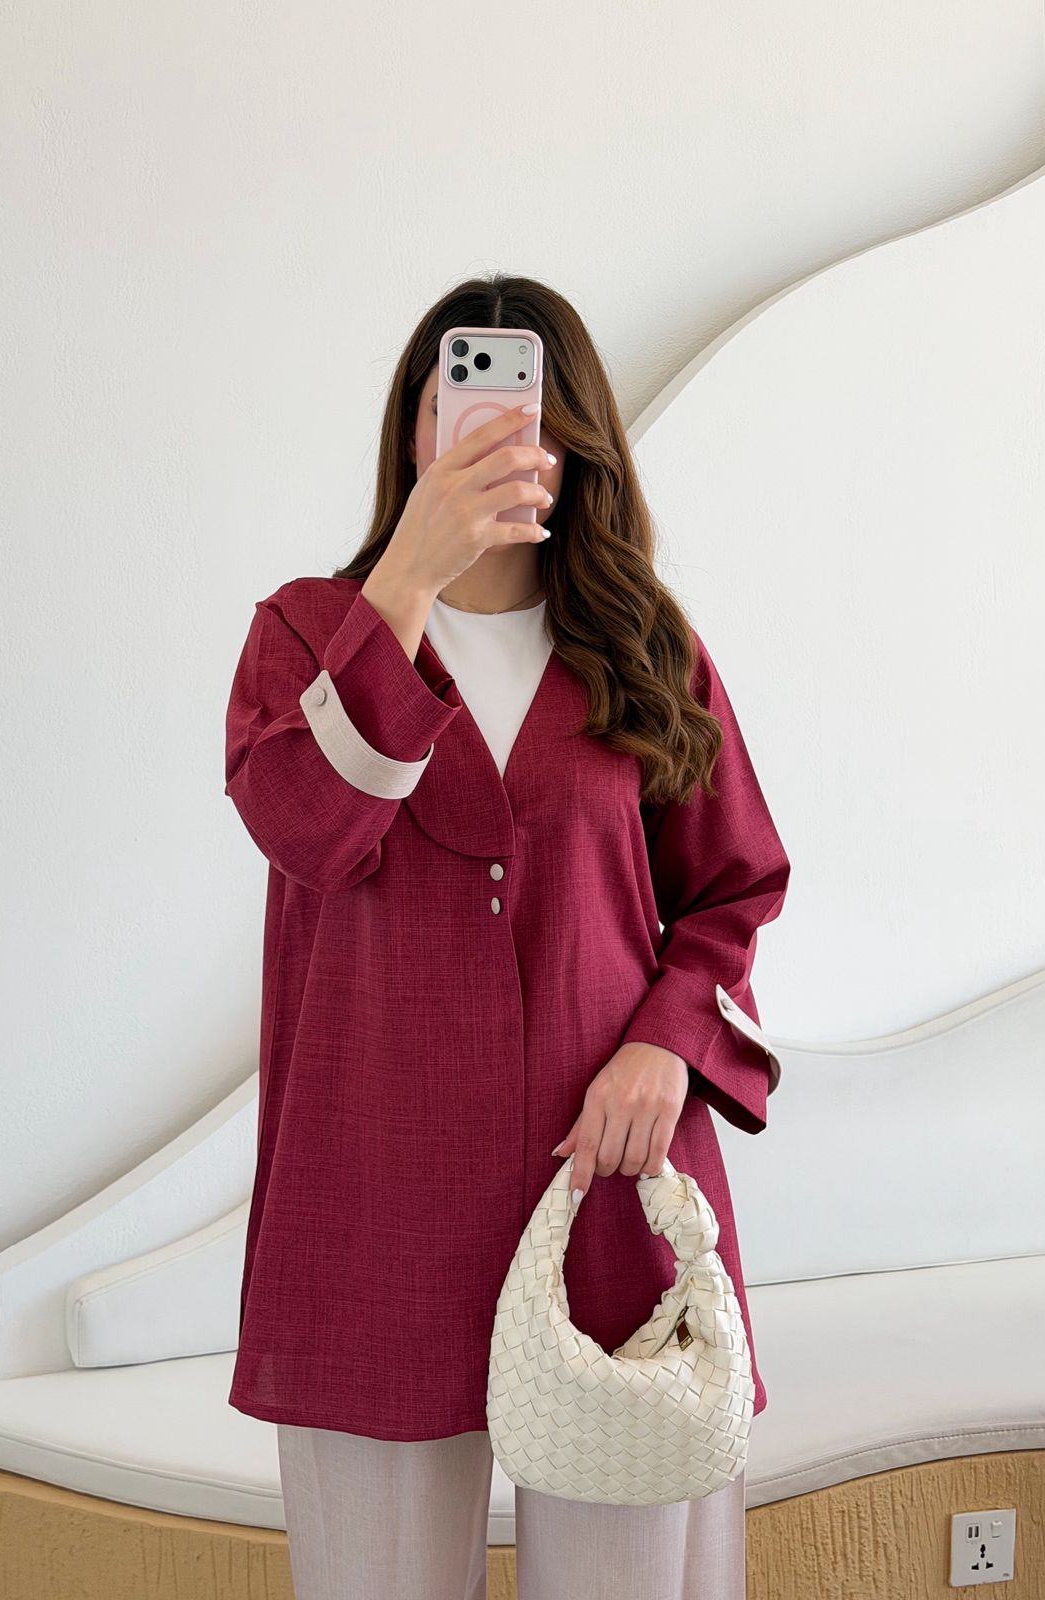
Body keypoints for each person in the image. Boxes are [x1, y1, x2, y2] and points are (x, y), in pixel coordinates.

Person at [222, 274, 791, 1600]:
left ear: (571, 437)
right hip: (374, 1195)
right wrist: (407, 580)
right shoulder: (304, 635)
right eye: (454, 403)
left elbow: (735, 887)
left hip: (606, 1186)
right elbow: (308, 831)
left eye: (518, 405)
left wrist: (664, 1046)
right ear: (412, 431)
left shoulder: (646, 649)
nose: (483, 432)